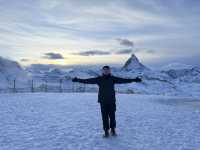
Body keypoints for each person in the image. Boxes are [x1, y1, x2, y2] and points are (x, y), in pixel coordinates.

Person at [72, 65, 142, 138]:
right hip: (103, 101)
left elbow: (123, 80)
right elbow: (87, 81)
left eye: (107, 70)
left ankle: (113, 129)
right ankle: (106, 131)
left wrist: (134, 80)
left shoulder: (113, 79)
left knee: (112, 116)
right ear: (102, 71)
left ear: (109, 71)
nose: (106, 71)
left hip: (111, 100)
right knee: (104, 116)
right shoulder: (99, 79)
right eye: (104, 70)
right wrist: (78, 80)